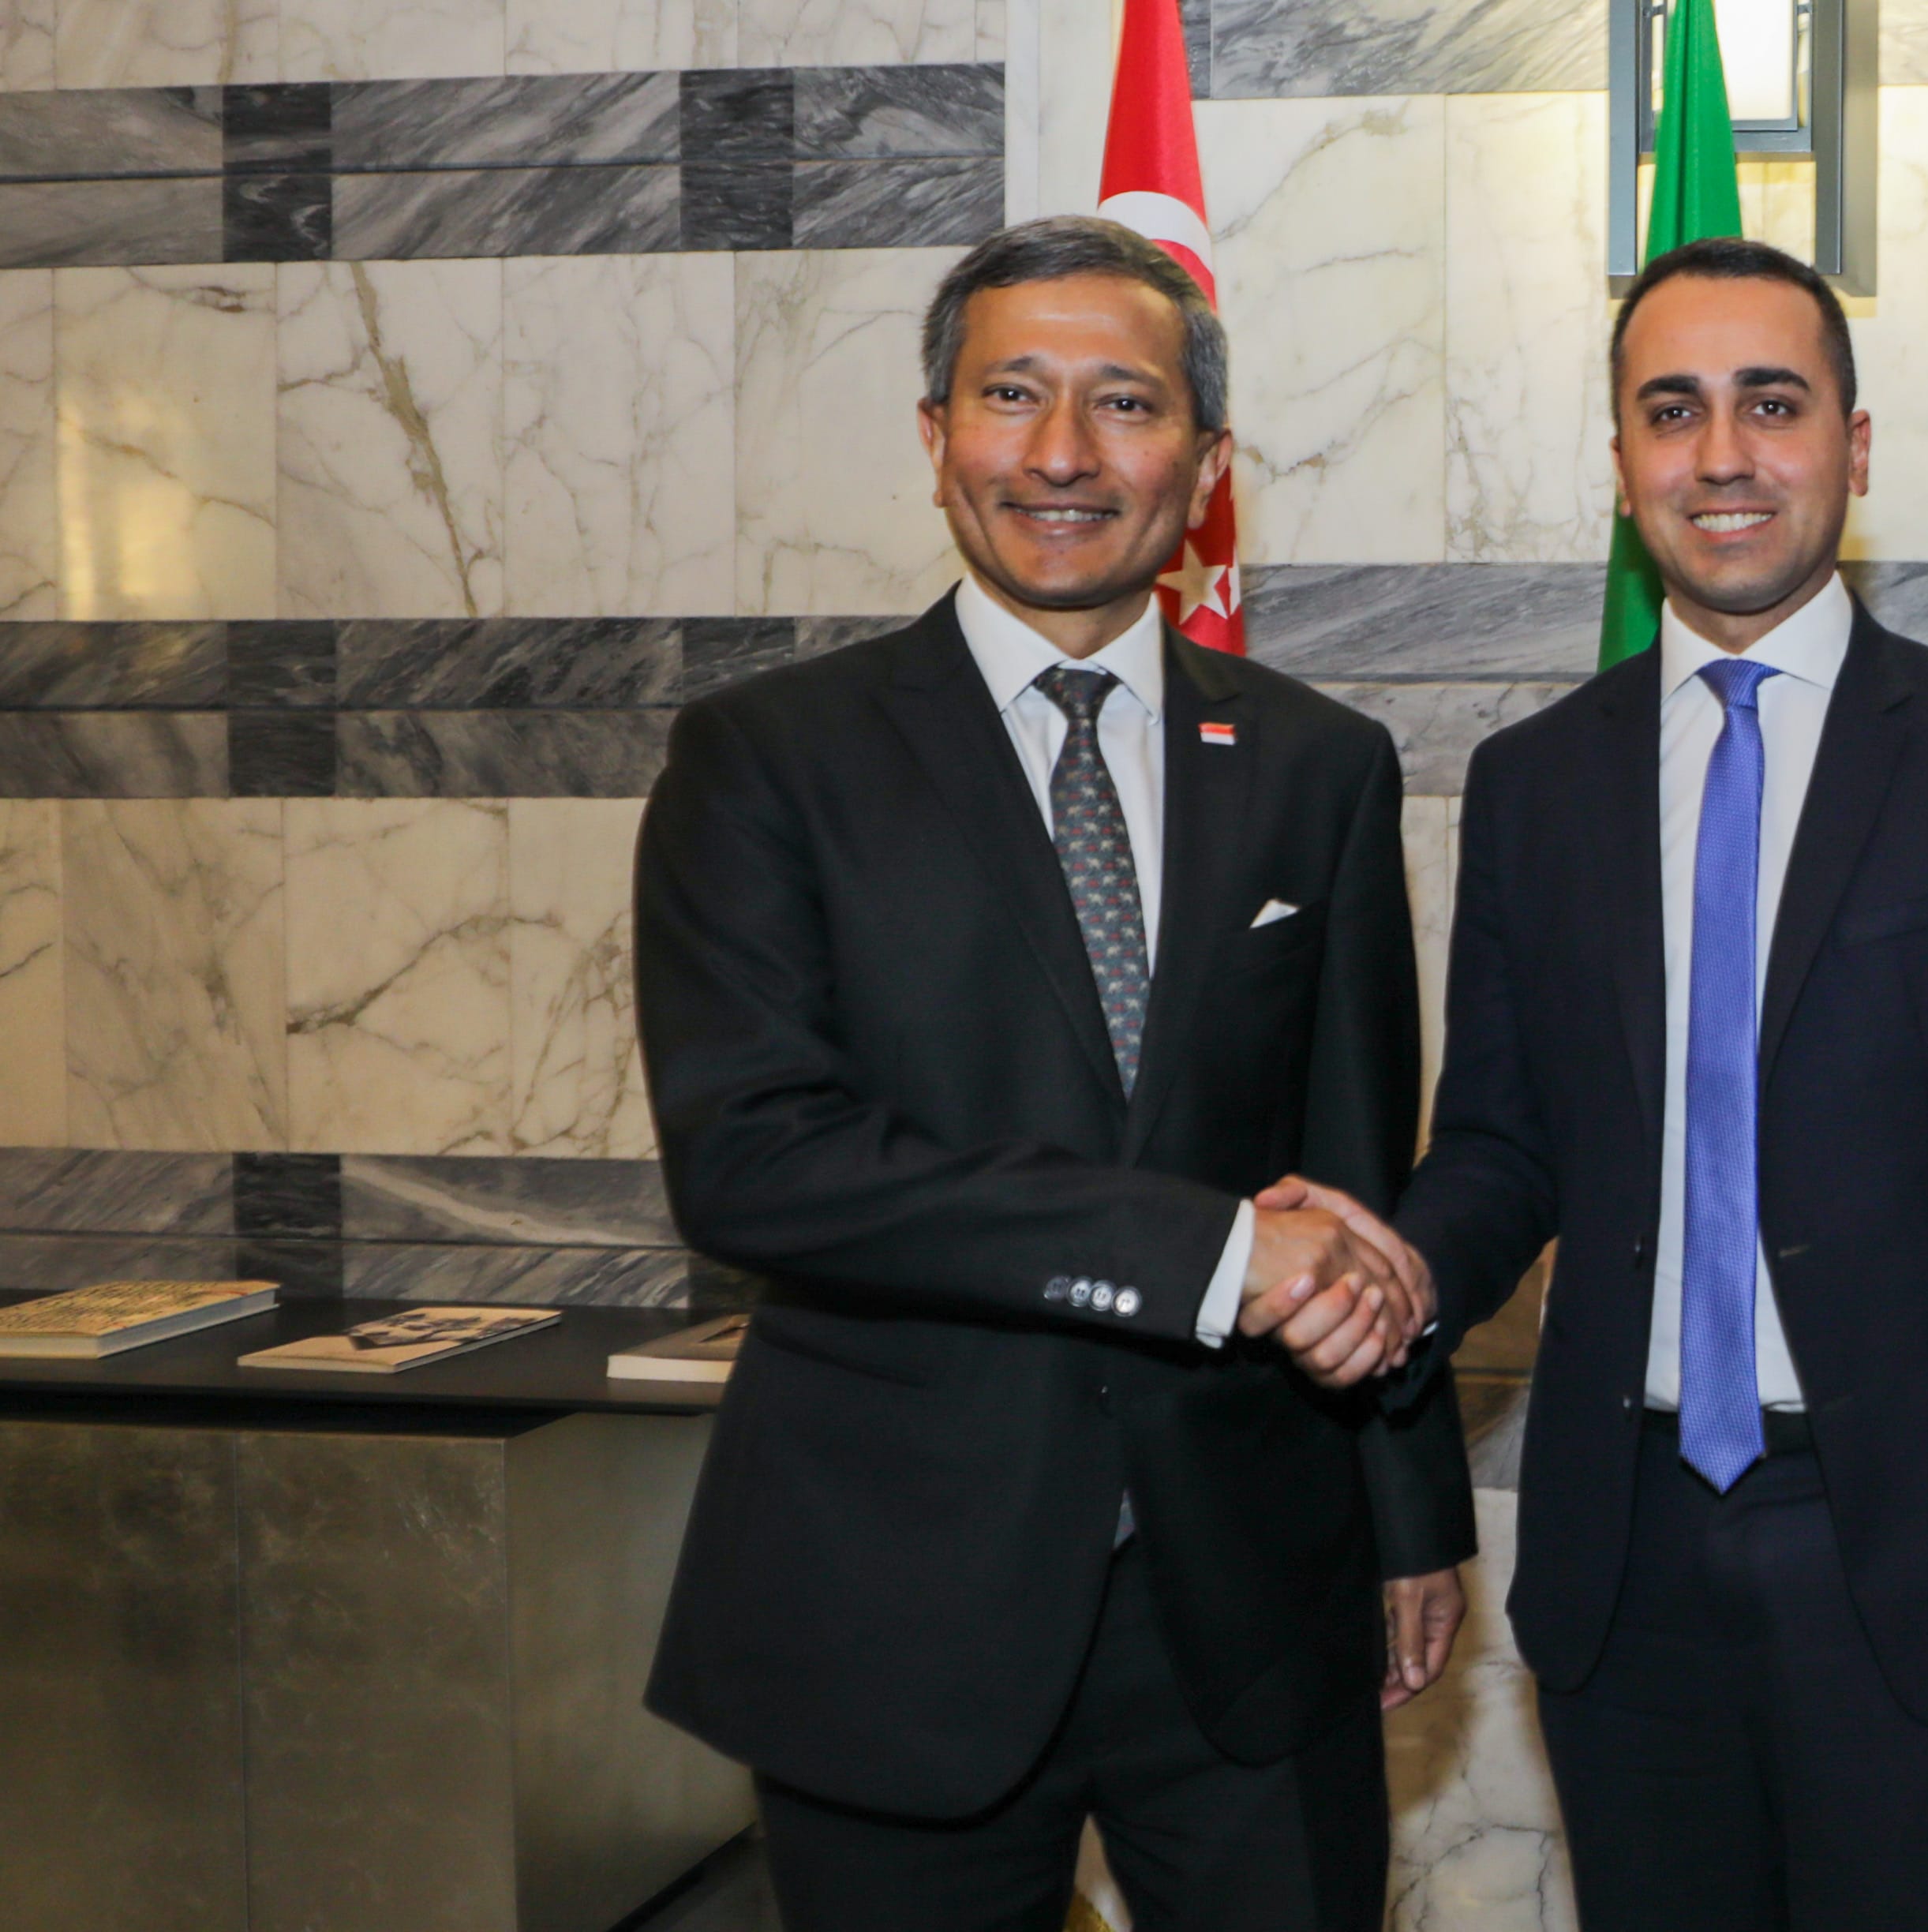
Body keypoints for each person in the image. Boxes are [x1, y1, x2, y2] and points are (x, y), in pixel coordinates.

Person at [1271, 235, 1928, 1930]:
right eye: (1671, 412)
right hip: (1630, 1568)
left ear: (1854, 441)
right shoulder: (1538, 786)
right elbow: (1506, 1150)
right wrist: (1390, 1266)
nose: (1725, 455)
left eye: (1774, 403)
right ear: (1621, 466)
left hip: (1919, 1575)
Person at [632, 215, 1474, 1932]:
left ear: (1207, 467)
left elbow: (1352, 1172)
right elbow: (758, 1164)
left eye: (1127, 404)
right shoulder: (766, 762)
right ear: (937, 436)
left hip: (1249, 1600)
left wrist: (1410, 1512)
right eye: (1013, 395)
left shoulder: (1318, 763)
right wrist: (1215, 1259)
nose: (1067, 453)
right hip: (895, 1604)